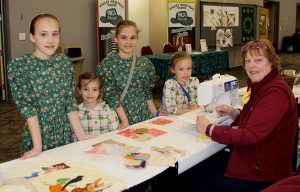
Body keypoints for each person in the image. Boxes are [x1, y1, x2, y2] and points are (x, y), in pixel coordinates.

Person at [195, 39, 297, 192]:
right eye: (248, 60)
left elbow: (250, 135)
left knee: (199, 181)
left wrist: (210, 129)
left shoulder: (275, 94)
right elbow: (259, 120)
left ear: (271, 62)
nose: (251, 65)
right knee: (202, 164)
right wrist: (235, 114)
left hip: (263, 174)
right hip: (258, 160)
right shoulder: (262, 86)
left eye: (258, 60)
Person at [7, 13, 95, 159]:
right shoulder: (19, 66)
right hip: (38, 135)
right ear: (32, 37)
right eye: (43, 34)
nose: (50, 40)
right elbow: (28, 109)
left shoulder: (64, 63)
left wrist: (81, 135)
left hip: (64, 133)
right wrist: (37, 147)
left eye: (55, 34)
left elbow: (69, 102)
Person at [96, 20, 157, 129]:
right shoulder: (107, 65)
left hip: (143, 115)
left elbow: (147, 93)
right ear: (115, 38)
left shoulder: (145, 64)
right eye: (124, 37)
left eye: (132, 37)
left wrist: (155, 114)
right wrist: (125, 121)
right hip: (119, 119)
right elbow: (111, 97)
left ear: (137, 38)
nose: (128, 42)